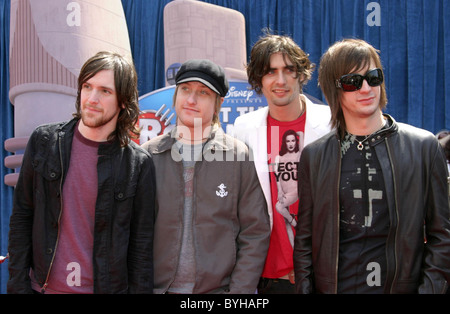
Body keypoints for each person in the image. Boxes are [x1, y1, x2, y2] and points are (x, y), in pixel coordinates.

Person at [293, 38, 450, 294]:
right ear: (334, 90)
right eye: (352, 82)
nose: (365, 88)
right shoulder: (315, 156)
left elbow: (442, 235)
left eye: (373, 77)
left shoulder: (423, 147)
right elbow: (305, 241)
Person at [7, 51, 156, 294]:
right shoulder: (44, 142)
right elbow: (22, 218)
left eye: (105, 91)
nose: (92, 98)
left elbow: (141, 247)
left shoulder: (137, 164)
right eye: (87, 87)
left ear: (123, 101)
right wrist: (17, 286)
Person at [141, 59, 270, 294]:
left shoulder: (237, 156)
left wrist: (238, 293)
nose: (191, 100)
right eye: (185, 90)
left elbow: (255, 232)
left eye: (203, 92)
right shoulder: (148, 155)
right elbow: (134, 233)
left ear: (218, 103)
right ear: (175, 95)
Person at [233, 33, 332, 294]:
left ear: (301, 74)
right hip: (269, 276)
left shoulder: (332, 122)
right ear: (258, 80)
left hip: (322, 272)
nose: (280, 80)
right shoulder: (243, 129)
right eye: (270, 72)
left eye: (289, 70)